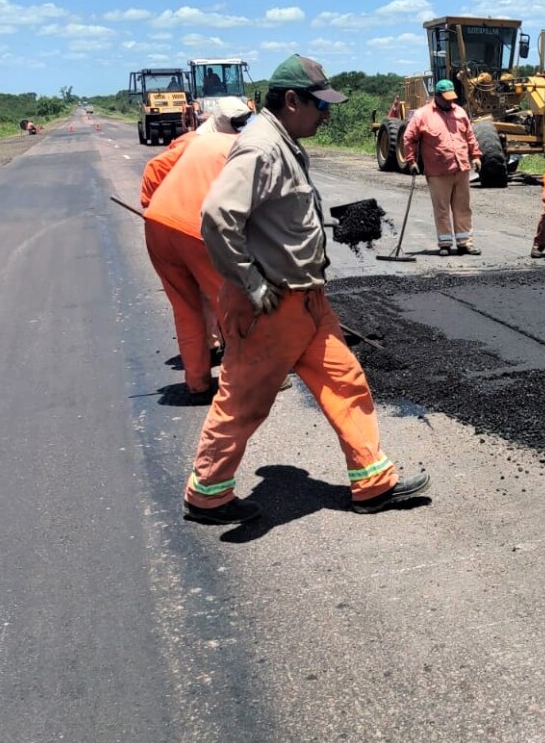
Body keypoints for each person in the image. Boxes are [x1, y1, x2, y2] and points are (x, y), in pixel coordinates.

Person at [183, 54, 431, 525]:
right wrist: (252, 284)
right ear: (292, 100)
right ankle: (208, 494)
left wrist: (325, 223)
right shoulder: (260, 147)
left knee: (345, 380)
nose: (327, 114)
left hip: (307, 302)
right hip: (270, 306)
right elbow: (217, 216)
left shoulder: (285, 141)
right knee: (244, 401)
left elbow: (279, 213)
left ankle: (373, 483)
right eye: (320, 105)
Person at [142, 97, 253, 401]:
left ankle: (197, 383)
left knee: (187, 308)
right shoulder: (240, 149)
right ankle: (250, 379)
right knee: (231, 305)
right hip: (194, 229)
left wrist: (155, 207)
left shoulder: (207, 142)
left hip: (159, 225)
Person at [401, 79, 483, 256]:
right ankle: (444, 243)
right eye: (446, 98)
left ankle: (464, 243)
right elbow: (409, 138)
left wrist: (476, 156)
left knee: (463, 208)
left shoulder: (460, 112)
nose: (450, 101)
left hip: (461, 168)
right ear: (437, 96)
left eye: (452, 98)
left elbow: (470, 136)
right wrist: (411, 161)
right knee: (442, 208)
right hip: (438, 171)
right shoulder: (422, 115)